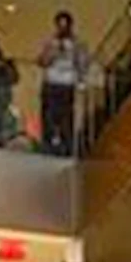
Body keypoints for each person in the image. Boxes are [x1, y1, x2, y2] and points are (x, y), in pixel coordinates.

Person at [36, 11, 90, 155]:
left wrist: (81, 81)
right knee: (48, 117)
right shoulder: (50, 42)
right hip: (51, 82)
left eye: (65, 25)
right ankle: (48, 145)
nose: (62, 29)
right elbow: (41, 61)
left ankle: (66, 147)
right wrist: (53, 51)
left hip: (67, 84)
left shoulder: (78, 44)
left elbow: (83, 65)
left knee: (66, 118)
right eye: (59, 25)